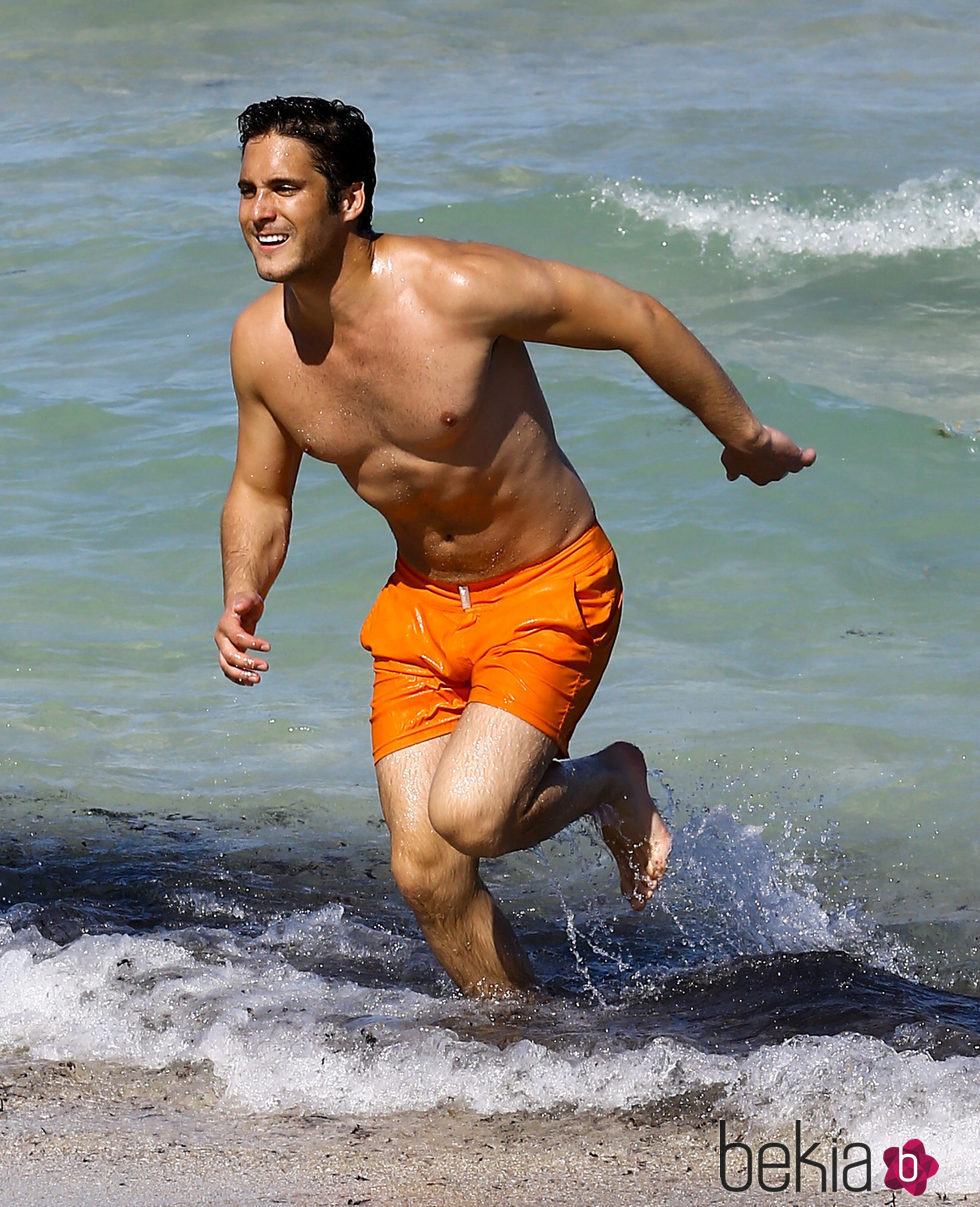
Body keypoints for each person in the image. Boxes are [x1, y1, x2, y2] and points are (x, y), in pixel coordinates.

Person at [214, 96, 816, 997]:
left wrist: (742, 433)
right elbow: (261, 490)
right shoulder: (262, 346)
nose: (261, 211)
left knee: (471, 815)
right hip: (421, 604)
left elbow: (633, 317)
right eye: (249, 190)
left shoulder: (455, 290)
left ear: (349, 199)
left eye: (285, 188)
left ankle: (612, 778)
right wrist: (242, 589)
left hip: (546, 586)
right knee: (425, 868)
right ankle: (516, 1039)